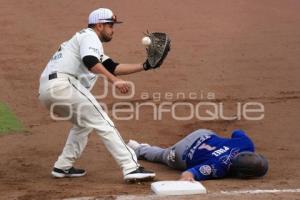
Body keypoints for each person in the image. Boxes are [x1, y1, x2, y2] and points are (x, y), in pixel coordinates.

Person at [38, 8, 157, 182]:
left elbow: (113, 67)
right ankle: (131, 167)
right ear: (99, 25)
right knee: (102, 120)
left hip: (48, 90)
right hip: (64, 84)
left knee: (83, 124)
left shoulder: (87, 43)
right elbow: (90, 62)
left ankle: (62, 166)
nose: (113, 29)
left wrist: (145, 65)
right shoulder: (89, 36)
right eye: (110, 25)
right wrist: (114, 81)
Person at [128, 129, 268, 181]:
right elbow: (189, 173)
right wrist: (187, 180)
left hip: (202, 133)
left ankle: (140, 148)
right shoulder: (217, 168)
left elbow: (237, 131)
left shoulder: (246, 143)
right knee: (161, 155)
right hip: (180, 153)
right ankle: (139, 148)